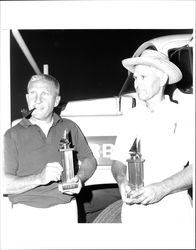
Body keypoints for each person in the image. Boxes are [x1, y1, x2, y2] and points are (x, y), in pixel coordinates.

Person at [93, 50, 194, 248]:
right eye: (136, 77)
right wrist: (122, 180)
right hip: (134, 217)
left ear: (163, 78)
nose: (137, 83)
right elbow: (118, 162)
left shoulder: (184, 115)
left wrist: (161, 189)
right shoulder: (130, 118)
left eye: (144, 77)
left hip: (172, 216)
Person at [2, 74, 97, 248]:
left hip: (64, 210)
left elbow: (90, 159)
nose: (37, 99)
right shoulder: (12, 135)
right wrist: (40, 178)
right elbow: (4, 184)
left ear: (56, 100)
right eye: (32, 93)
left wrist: (80, 179)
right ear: (27, 98)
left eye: (44, 93)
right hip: (26, 215)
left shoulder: (70, 127)